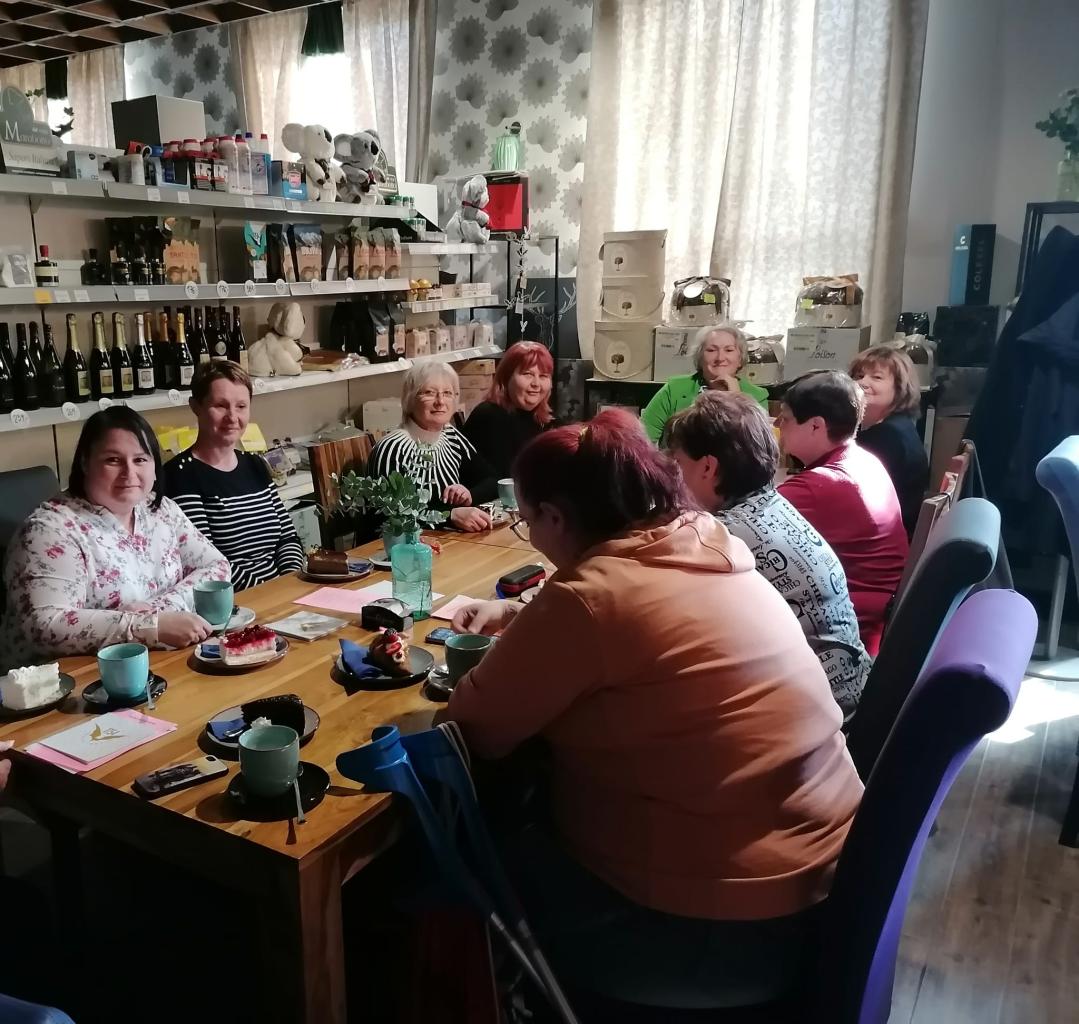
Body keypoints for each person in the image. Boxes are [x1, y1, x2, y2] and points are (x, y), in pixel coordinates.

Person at [447, 409, 862, 1005]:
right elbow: (641, 633)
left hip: (716, 934)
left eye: (527, 521)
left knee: (470, 842)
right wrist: (523, 617)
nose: (529, 534)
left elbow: (471, 728)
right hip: (823, 892)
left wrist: (526, 637)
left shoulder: (589, 599)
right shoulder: (706, 541)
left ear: (555, 517)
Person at [665, 391, 870, 717]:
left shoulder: (721, 538)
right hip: (852, 697)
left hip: (816, 718)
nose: (673, 477)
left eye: (677, 464)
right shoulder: (774, 506)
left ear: (707, 467)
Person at [0, 407, 229, 668]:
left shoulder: (159, 509)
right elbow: (46, 625)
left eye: (140, 460)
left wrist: (160, 610)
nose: (129, 473)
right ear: (85, 463)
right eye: (113, 460)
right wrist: (150, 626)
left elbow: (216, 566)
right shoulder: (50, 530)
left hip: (155, 663)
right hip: (66, 680)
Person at [776, 371, 908, 657]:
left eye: (785, 418)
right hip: (878, 615)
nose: (777, 425)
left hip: (849, 633)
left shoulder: (820, 485)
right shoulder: (864, 460)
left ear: (816, 425)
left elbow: (735, 525)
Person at [161, 361, 305, 591]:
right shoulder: (180, 476)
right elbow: (209, 563)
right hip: (236, 601)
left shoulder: (254, 464)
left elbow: (288, 538)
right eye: (220, 405)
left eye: (241, 406)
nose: (232, 416)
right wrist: (269, 591)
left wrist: (289, 581)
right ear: (195, 407)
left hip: (282, 592)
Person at [368, 362, 496, 532]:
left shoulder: (451, 436)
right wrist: (450, 516)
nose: (440, 402)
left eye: (447, 393)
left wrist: (469, 494)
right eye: (429, 393)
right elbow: (394, 514)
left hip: (444, 540)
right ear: (410, 399)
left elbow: (492, 481)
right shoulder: (393, 448)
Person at [849, 346, 930, 537]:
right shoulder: (901, 426)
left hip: (880, 539)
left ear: (900, 387)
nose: (862, 383)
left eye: (876, 377)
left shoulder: (886, 437)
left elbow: (850, 496)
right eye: (859, 376)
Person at [640, 323, 769, 442]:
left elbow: (758, 447)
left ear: (740, 359)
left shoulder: (757, 396)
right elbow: (641, 439)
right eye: (711, 350)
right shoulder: (674, 389)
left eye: (729, 350)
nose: (720, 358)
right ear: (700, 358)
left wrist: (736, 397)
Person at [462, 340, 554, 478]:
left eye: (543, 376)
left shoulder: (547, 421)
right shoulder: (488, 417)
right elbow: (499, 479)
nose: (536, 383)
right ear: (506, 377)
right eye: (528, 374)